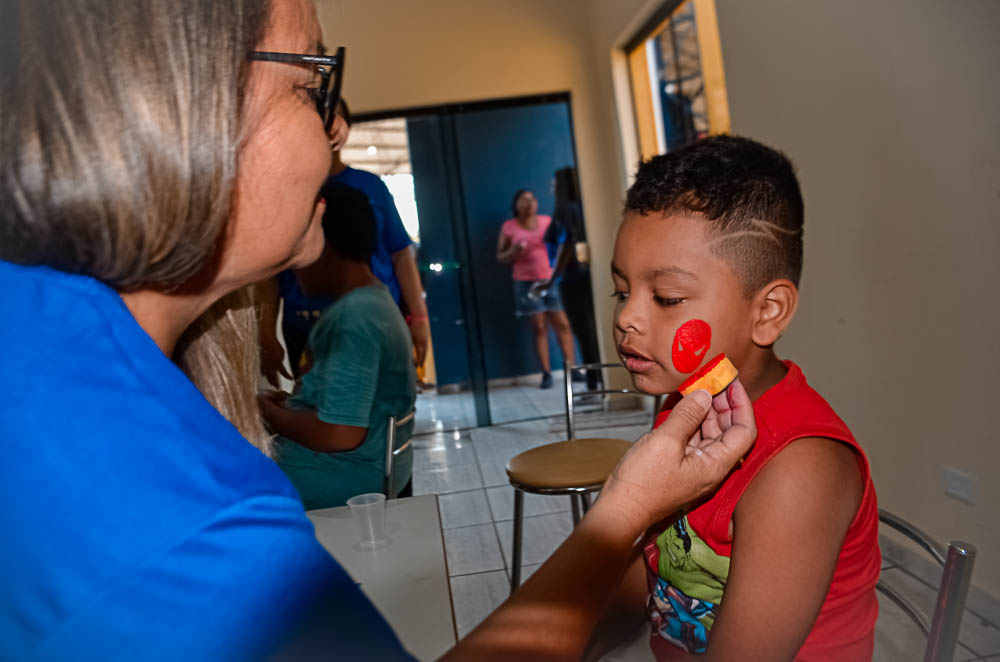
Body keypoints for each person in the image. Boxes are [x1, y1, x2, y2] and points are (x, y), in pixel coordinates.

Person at [0, 0, 755, 658]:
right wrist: (623, 514)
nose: (337, 130)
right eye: (310, 85)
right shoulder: (190, 532)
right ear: (179, 109)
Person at [589, 136, 881, 661]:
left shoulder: (798, 471)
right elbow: (652, 568)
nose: (626, 318)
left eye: (667, 298)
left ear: (767, 311)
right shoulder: (690, 402)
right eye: (621, 290)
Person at [259, 182, 416, 509]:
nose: (291, 265)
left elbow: (340, 433)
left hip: (337, 479)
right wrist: (292, 406)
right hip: (370, 469)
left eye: (295, 249)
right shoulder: (374, 302)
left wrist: (269, 414)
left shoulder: (352, 319)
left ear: (322, 244)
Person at [260, 99, 430, 385]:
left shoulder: (371, 186)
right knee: (315, 408)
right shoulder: (282, 192)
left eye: (333, 117)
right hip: (305, 323)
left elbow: (401, 254)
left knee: (373, 408)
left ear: (344, 126)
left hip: (371, 318)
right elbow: (270, 271)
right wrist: (266, 332)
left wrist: (419, 319)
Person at [496, 188, 576, 389]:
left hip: (550, 280)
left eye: (532, 199)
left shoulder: (547, 222)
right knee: (539, 327)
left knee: (563, 325)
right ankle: (546, 373)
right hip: (525, 283)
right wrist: (513, 252)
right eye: (523, 200)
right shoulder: (509, 227)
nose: (528, 203)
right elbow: (500, 257)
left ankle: (573, 370)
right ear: (516, 205)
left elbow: (562, 247)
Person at [537, 166, 603, 390]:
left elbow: (567, 245)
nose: (551, 188)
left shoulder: (566, 210)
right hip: (580, 277)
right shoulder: (582, 208)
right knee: (589, 330)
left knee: (583, 331)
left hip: (573, 278)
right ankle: (596, 380)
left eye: (554, 183)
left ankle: (595, 382)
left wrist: (550, 279)